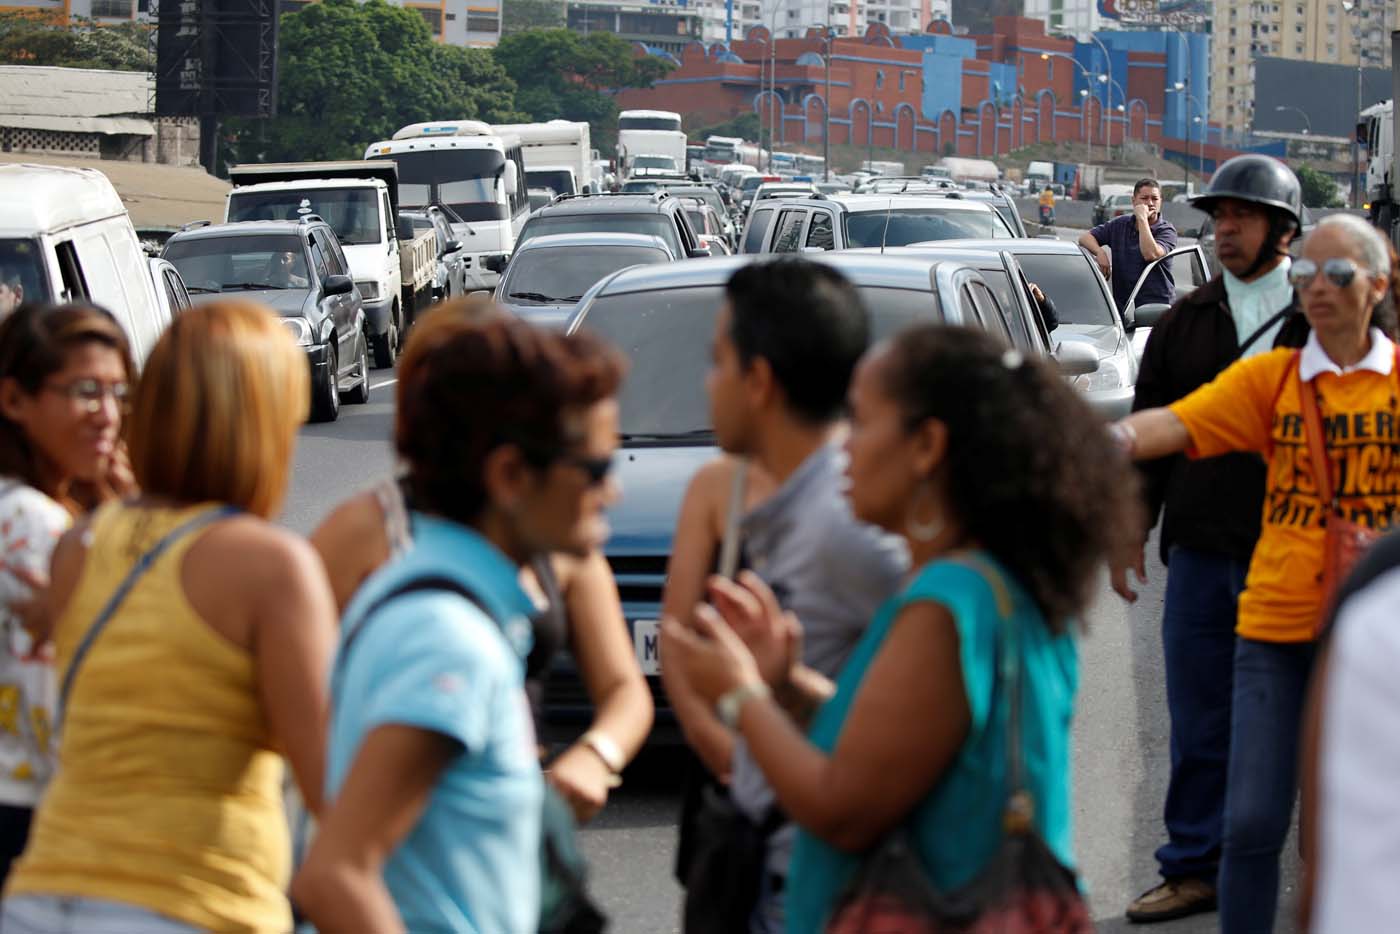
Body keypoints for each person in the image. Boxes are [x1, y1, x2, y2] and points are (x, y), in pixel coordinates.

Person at [663, 324, 1138, 934]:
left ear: (926, 447)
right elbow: (908, 744)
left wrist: (740, 694)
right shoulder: (992, 580)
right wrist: (788, 686)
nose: (843, 450)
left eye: (860, 422)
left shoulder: (948, 602)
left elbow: (842, 808)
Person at [2, 300, 338, 933]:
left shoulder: (81, 545)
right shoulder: (270, 566)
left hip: (43, 893)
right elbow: (333, 795)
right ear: (264, 425)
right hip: (194, 902)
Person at [1110, 213, 1400, 934]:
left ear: (1379, 285)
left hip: (1377, 645)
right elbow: (1171, 424)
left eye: (1338, 274)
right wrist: (1100, 438)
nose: (1318, 288)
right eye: (1306, 275)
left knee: (1350, 829)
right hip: (1275, 628)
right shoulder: (1271, 379)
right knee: (1252, 822)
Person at [292, 314, 627, 934]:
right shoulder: (449, 638)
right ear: (509, 477)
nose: (614, 494)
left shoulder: (435, 593)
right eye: (596, 471)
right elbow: (336, 876)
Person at [660, 258, 907, 933]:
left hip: (827, 891)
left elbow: (924, 727)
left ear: (760, 382)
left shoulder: (850, 530)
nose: (707, 386)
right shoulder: (793, 508)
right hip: (775, 873)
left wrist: (749, 704)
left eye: (717, 363)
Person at [1117, 154, 1310, 925]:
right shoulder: (1185, 320)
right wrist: (1132, 527)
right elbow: (1149, 430)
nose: (1224, 228)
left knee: (1304, 722)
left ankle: (1316, 870)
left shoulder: (1320, 319)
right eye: (1218, 216)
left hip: (1297, 552)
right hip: (1200, 550)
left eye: (1242, 216)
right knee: (1198, 718)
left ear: (1283, 229)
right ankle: (1194, 865)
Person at [0, 304, 134, 886]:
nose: (107, 416)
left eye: (118, 393)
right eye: (84, 392)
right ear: (13, 401)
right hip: (35, 824)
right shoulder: (34, 528)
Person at [1080, 178, 1178, 313]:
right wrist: (1100, 252)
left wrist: (1142, 219)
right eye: (1144, 198)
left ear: (1160, 201)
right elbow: (1085, 238)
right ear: (1134, 201)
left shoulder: (1166, 230)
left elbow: (1150, 254)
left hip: (1157, 310)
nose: (1150, 203)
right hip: (1124, 309)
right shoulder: (1120, 224)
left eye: (1154, 199)